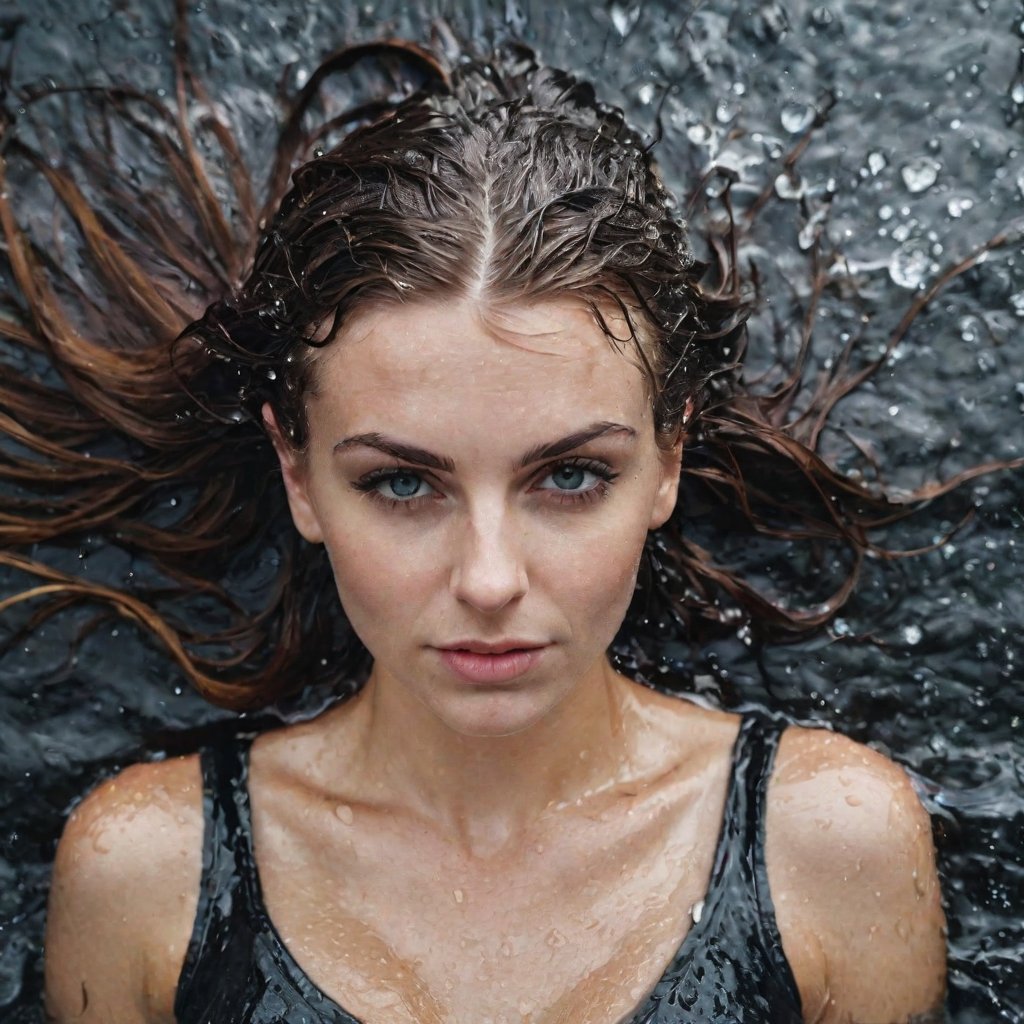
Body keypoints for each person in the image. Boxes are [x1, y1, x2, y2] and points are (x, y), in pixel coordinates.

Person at [1, 32, 948, 1024]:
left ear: (667, 460)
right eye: (404, 484)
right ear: (299, 473)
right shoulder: (149, 874)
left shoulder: (831, 843)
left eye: (571, 475)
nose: (488, 579)